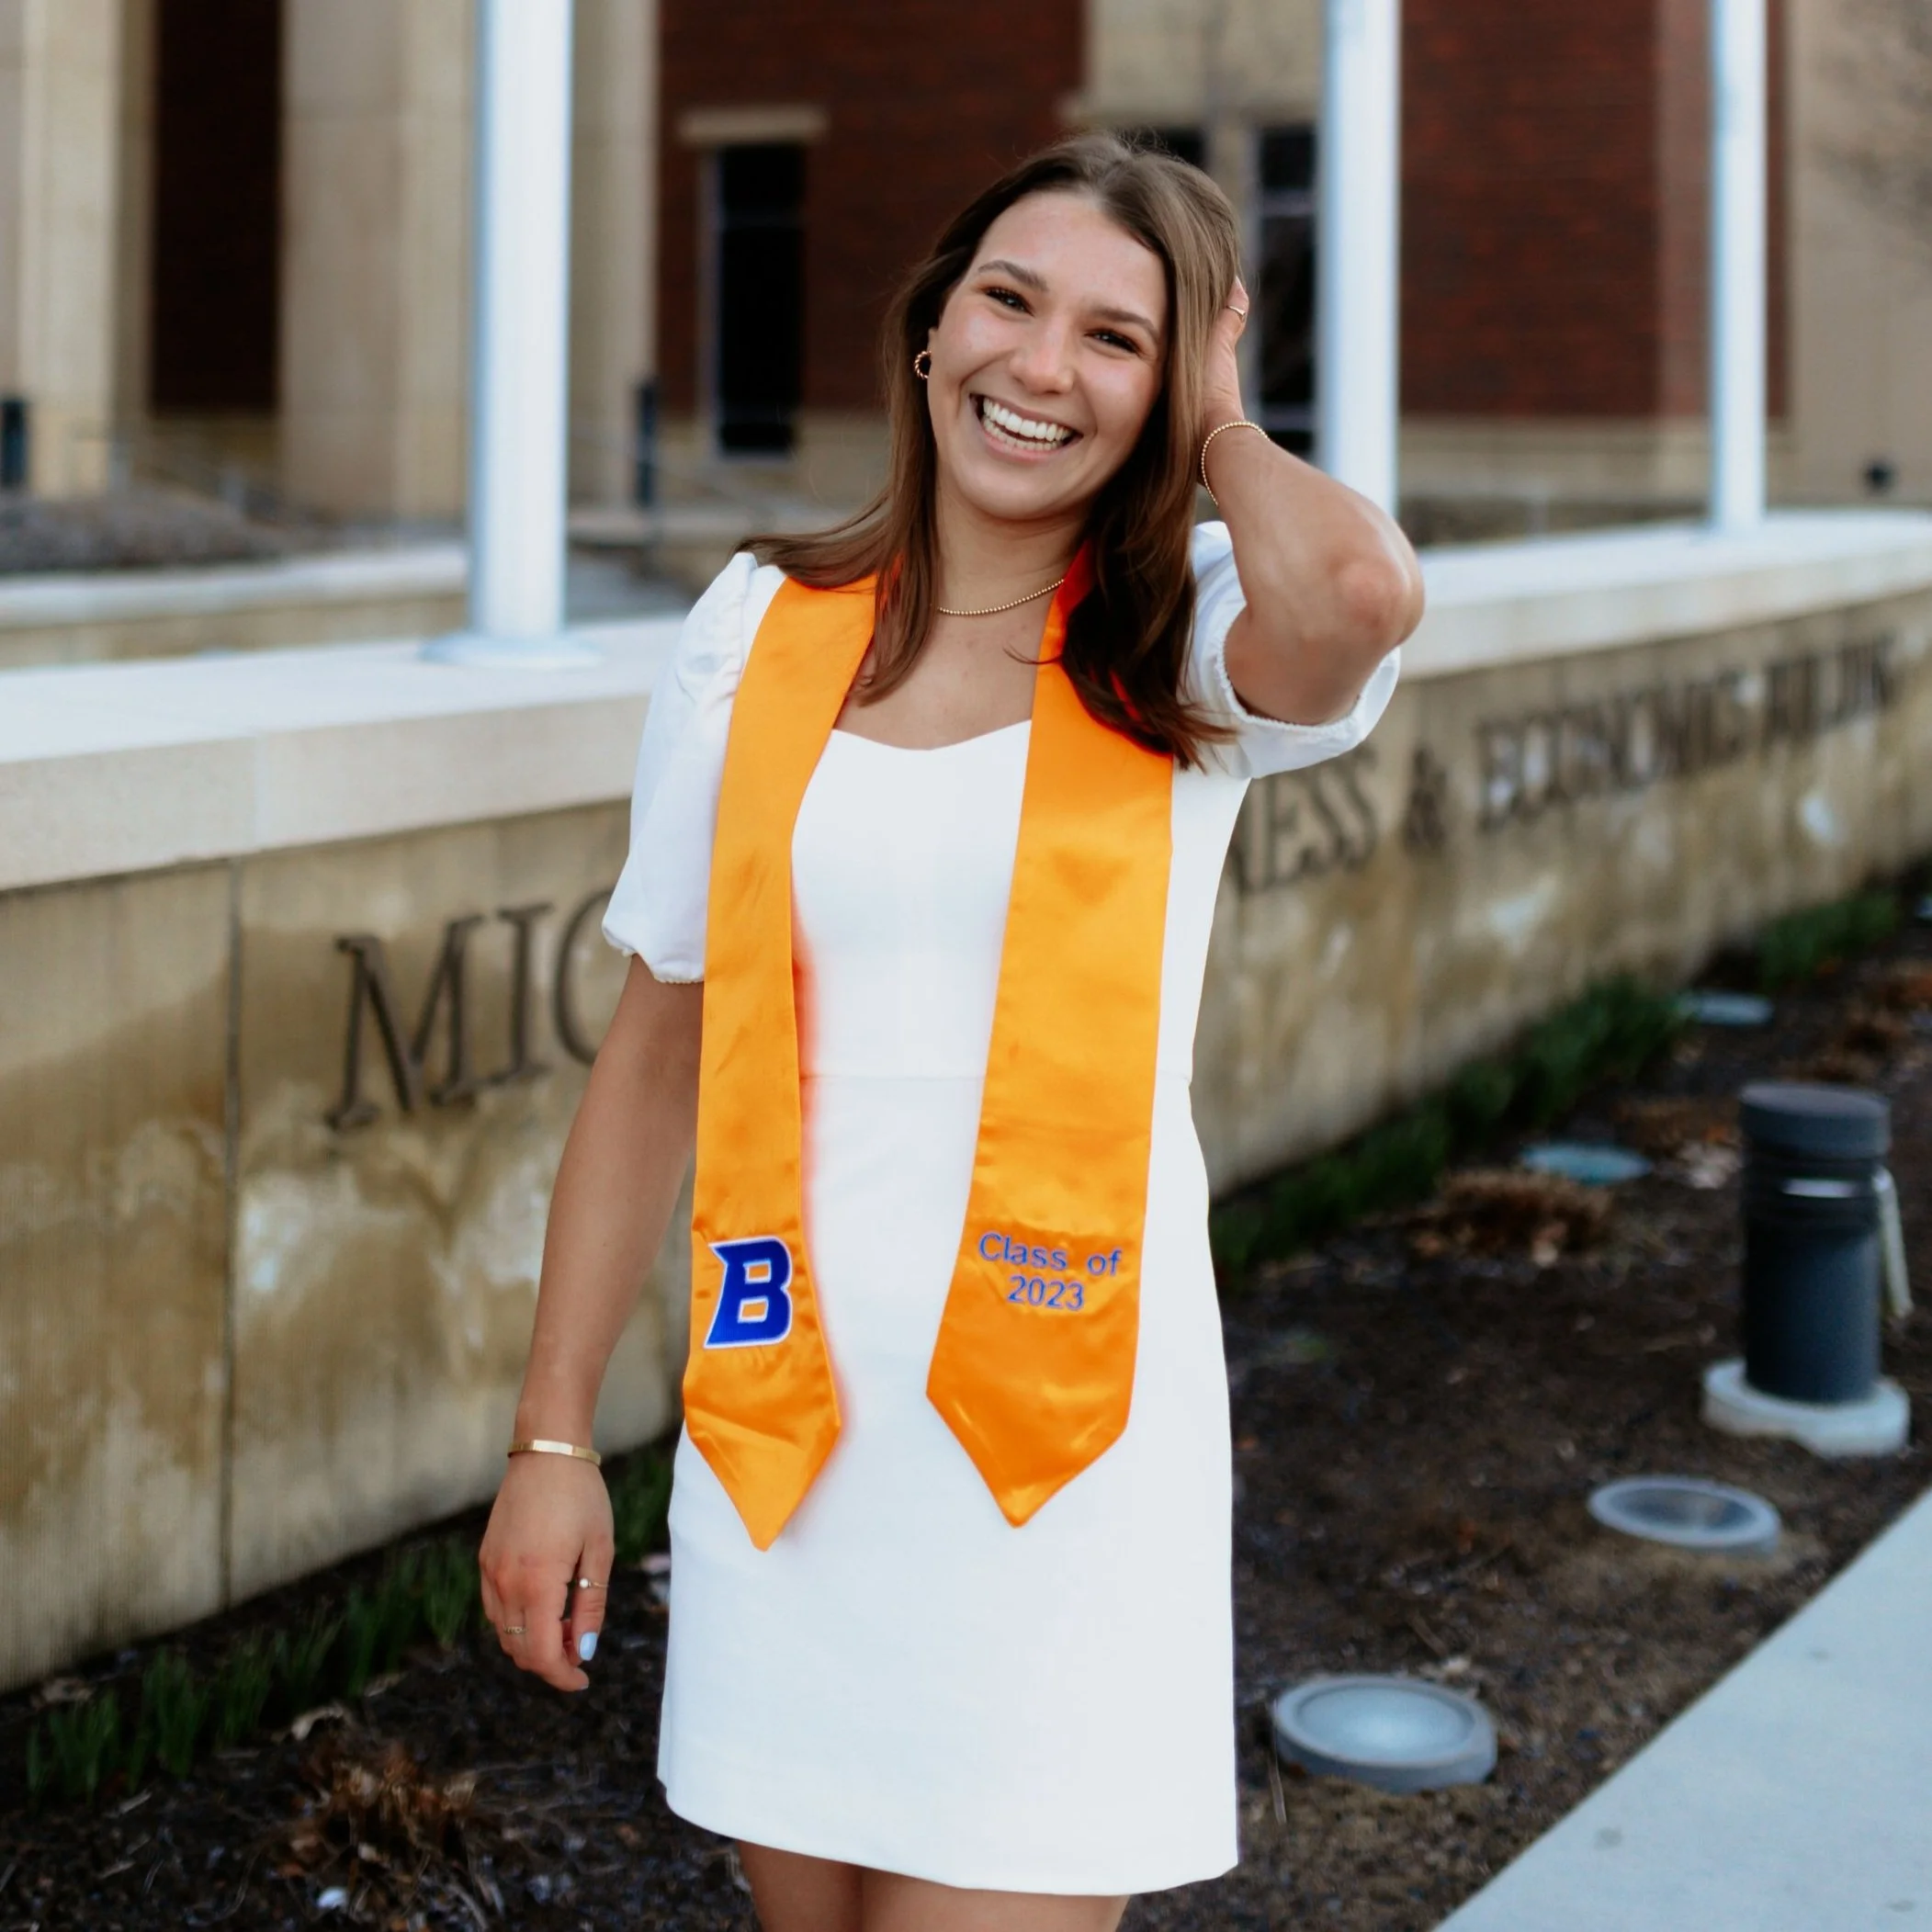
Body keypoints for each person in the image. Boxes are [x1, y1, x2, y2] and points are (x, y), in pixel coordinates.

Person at [479, 133, 1421, 1932]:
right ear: (929, 330)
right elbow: (653, 1051)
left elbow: (1358, 599)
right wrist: (549, 1441)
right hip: (796, 1440)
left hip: (1059, 1456)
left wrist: (1219, 423)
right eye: (1007, 298)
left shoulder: (1185, 646)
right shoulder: (760, 632)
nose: (1040, 363)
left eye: (1115, 337)